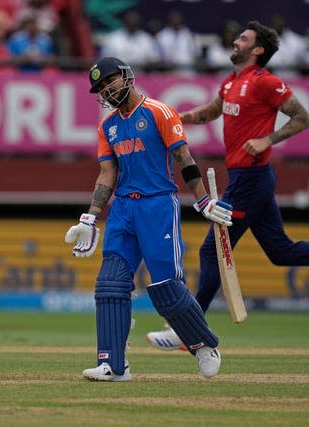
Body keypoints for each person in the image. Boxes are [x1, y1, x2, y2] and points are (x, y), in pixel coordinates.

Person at [146, 21, 309, 351]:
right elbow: (212, 112)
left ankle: (189, 328)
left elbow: (303, 117)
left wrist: (267, 139)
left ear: (257, 50)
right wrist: (176, 118)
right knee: (280, 251)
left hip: (252, 179)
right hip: (246, 179)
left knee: (212, 249)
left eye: (243, 39)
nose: (235, 41)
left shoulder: (266, 82)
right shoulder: (231, 81)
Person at [65, 56, 233, 381]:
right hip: (123, 209)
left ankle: (203, 344)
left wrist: (202, 201)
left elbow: (183, 157)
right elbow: (107, 173)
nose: (106, 89)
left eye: (110, 81)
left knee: (165, 287)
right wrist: (90, 217)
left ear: (127, 76)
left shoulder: (159, 111)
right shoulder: (107, 125)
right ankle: (114, 365)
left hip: (158, 205)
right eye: (100, 87)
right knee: (110, 285)